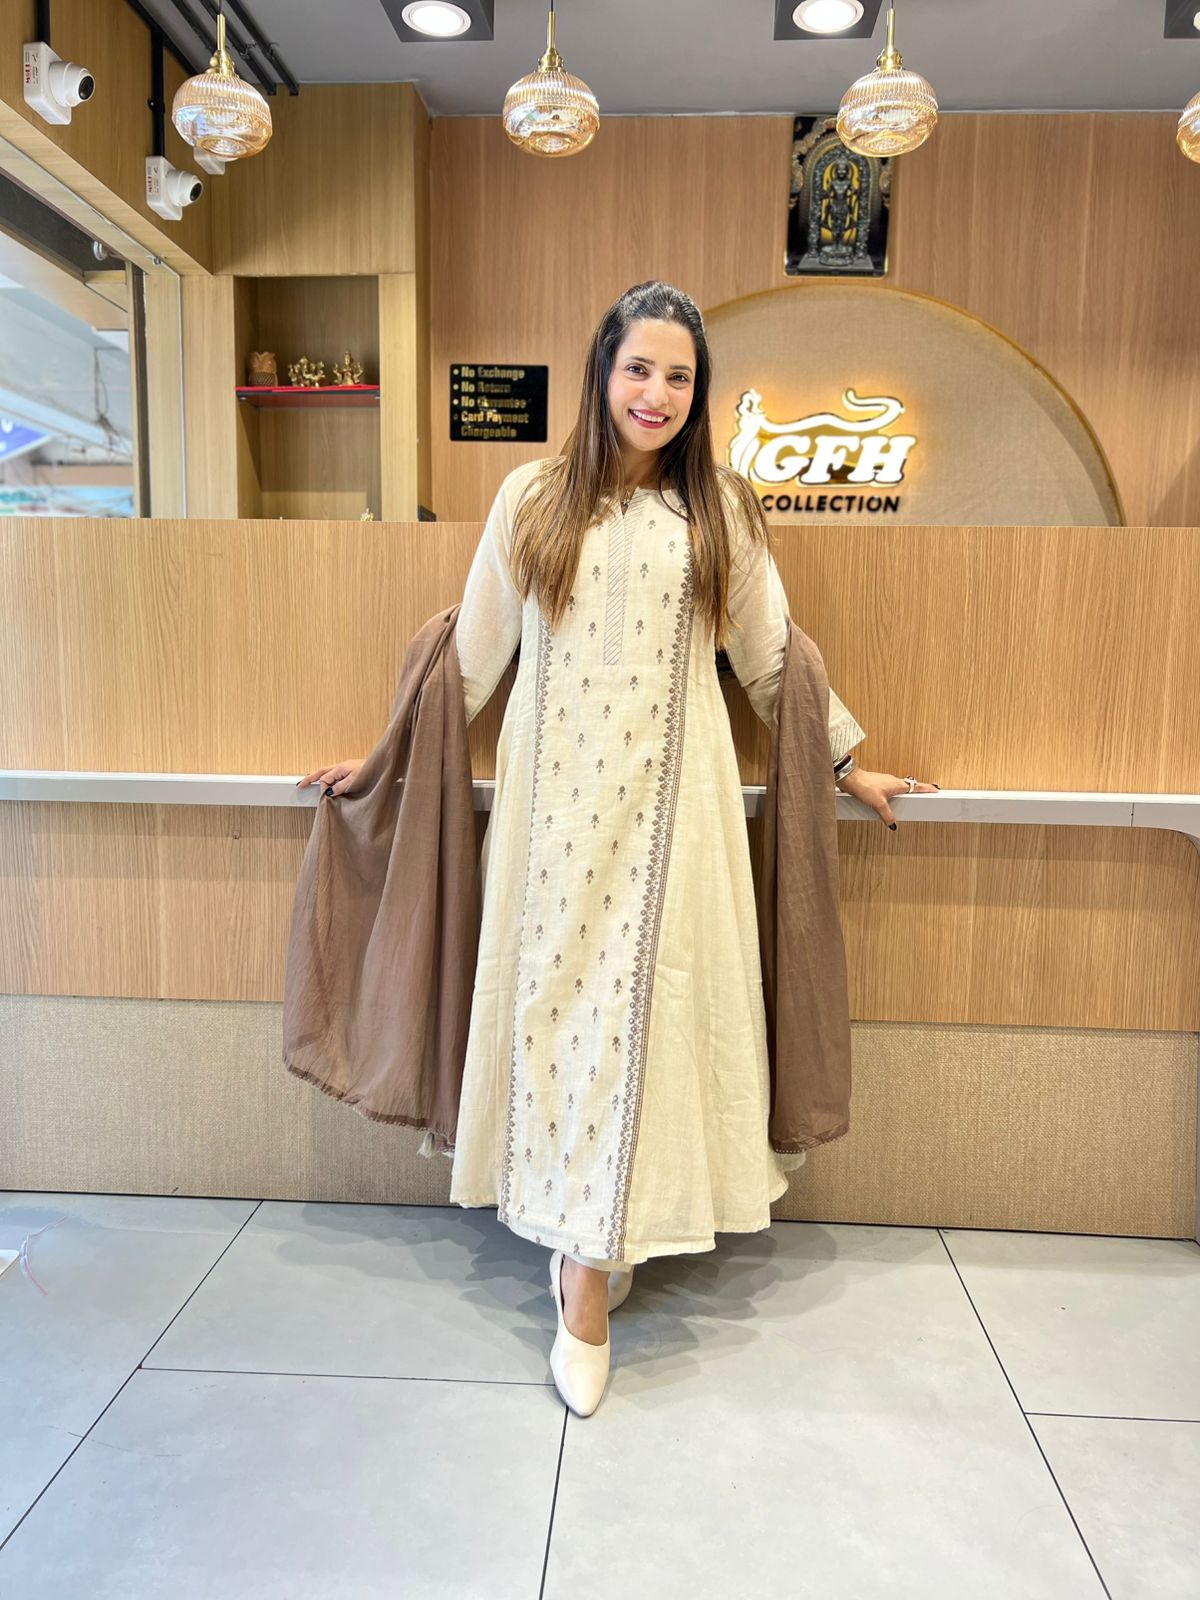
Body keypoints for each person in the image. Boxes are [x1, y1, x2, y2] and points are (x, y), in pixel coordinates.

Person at [299, 280, 937, 1416]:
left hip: (675, 823)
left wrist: (848, 762)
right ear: (602, 373)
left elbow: (772, 661)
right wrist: (382, 760)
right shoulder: (532, 499)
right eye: (639, 368)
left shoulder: (722, 512)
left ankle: (589, 1258)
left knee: (647, 1023)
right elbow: (473, 659)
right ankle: (585, 1263)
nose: (657, 393)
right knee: (563, 1022)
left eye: (679, 376)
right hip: (551, 825)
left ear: (699, 392)